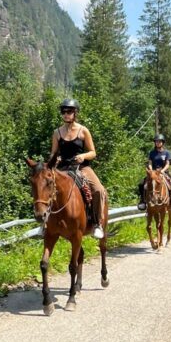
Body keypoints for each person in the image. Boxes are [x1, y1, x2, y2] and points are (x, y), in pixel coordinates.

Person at [48, 98, 107, 239]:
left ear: (75, 113)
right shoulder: (57, 133)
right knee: (45, 188)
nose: (66, 114)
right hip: (63, 169)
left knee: (99, 190)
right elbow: (53, 152)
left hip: (81, 168)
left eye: (69, 111)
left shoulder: (83, 131)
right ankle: (45, 224)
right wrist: (55, 159)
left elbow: (93, 152)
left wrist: (84, 156)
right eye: (63, 111)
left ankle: (97, 223)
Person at [137, 133, 171, 211]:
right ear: (155, 143)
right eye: (156, 141)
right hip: (153, 173)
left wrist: (162, 171)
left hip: (164, 172)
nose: (158, 143)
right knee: (141, 184)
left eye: (159, 141)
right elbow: (150, 163)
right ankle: (142, 201)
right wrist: (151, 170)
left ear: (162, 143)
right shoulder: (152, 153)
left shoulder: (167, 153)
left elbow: (167, 164)